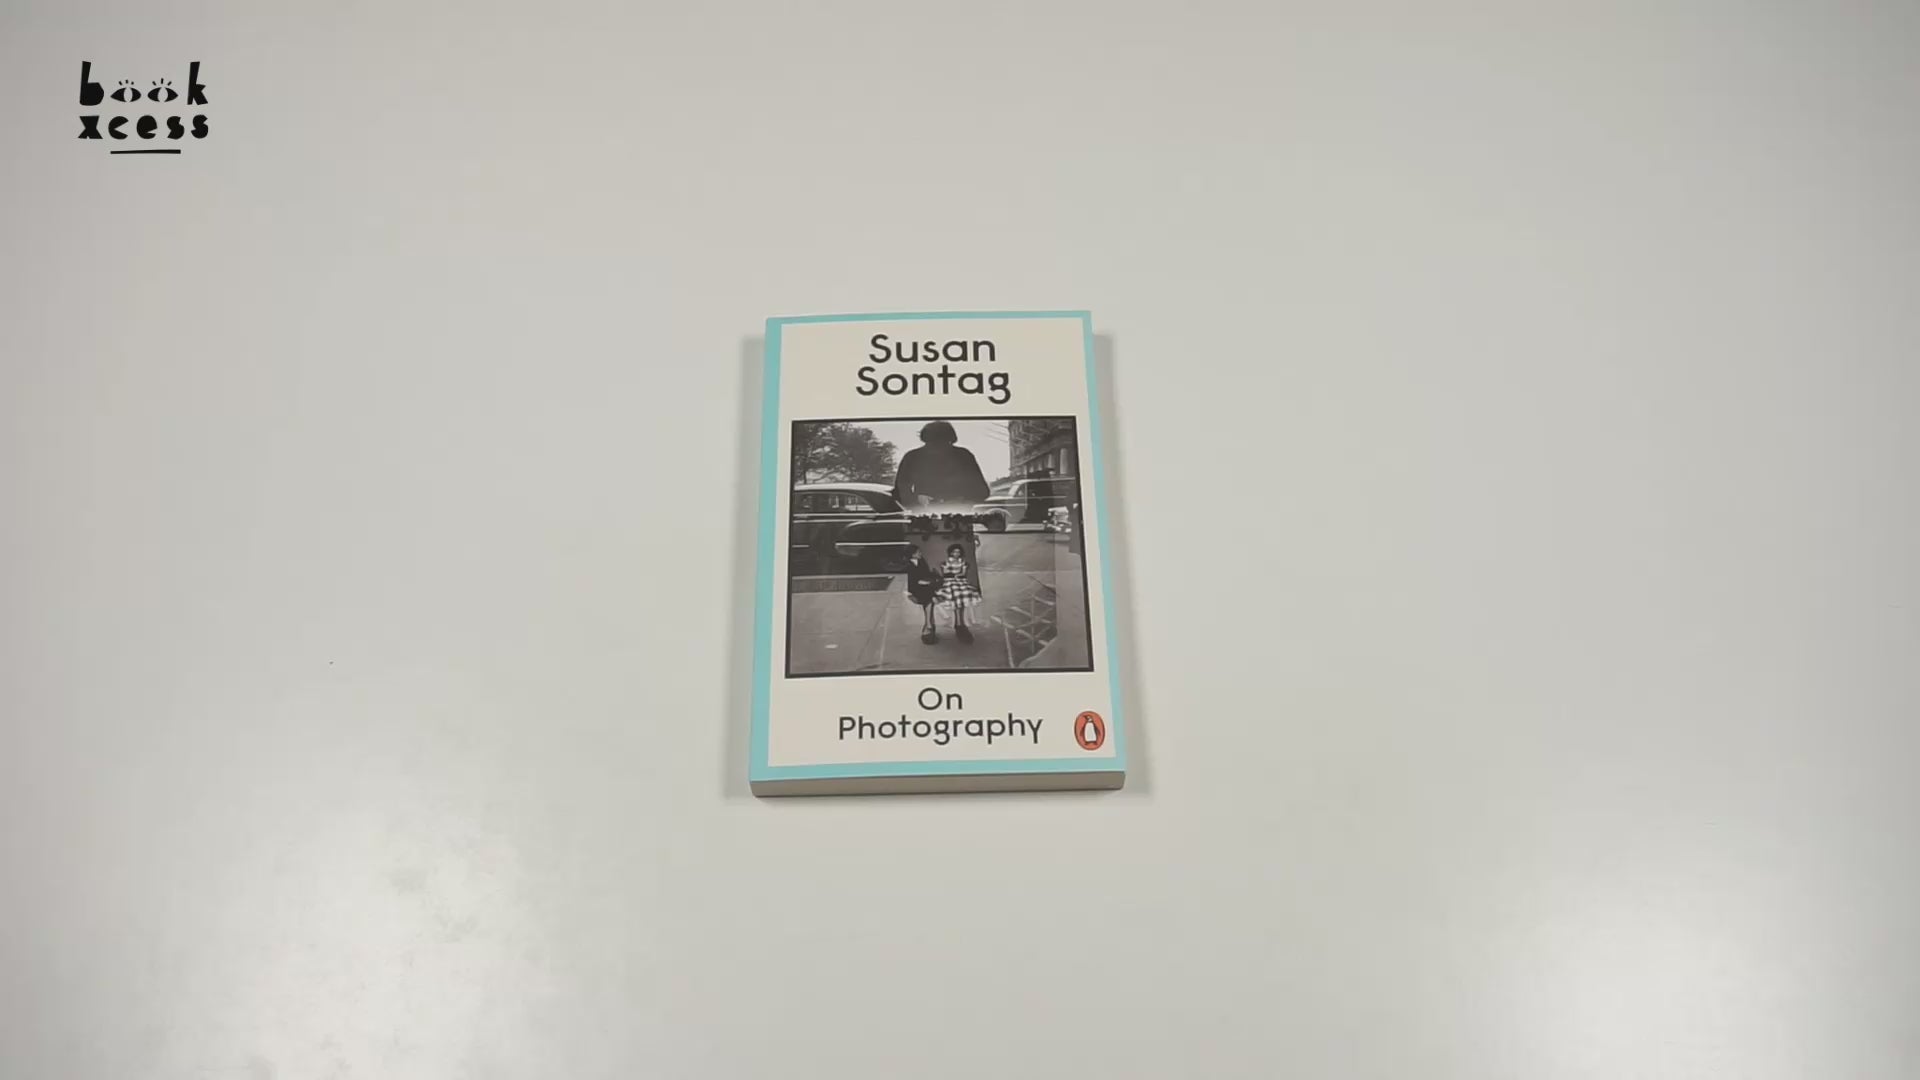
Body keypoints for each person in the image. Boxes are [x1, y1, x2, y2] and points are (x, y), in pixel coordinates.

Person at [891, 421, 989, 510]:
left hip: (956, 514)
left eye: (942, 443)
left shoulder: (964, 456)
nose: (938, 450)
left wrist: (962, 501)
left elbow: (982, 491)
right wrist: (917, 503)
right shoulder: (912, 457)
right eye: (933, 444)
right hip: (925, 517)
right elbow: (900, 492)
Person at [935, 542, 982, 644]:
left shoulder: (962, 562)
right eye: (954, 552)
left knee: (964, 594)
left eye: (958, 552)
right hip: (950, 581)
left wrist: (957, 574)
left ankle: (960, 623)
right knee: (955, 595)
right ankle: (959, 624)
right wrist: (955, 574)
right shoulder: (947, 562)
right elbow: (946, 573)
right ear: (951, 553)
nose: (956, 554)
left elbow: (963, 573)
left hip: (961, 581)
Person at [905, 550, 942, 644]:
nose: (920, 553)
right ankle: (929, 624)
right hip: (915, 587)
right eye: (918, 552)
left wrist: (933, 577)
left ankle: (928, 624)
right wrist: (921, 582)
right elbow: (912, 580)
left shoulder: (922, 561)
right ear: (912, 554)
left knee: (928, 592)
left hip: (925, 585)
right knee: (928, 595)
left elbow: (927, 573)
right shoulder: (909, 565)